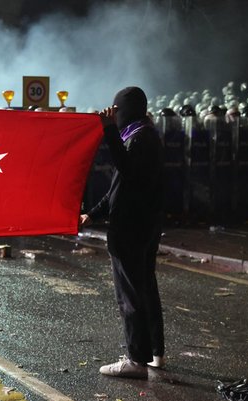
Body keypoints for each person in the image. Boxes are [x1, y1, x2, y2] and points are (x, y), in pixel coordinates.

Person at [80, 86, 165, 378]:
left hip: (132, 228)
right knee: (144, 289)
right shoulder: (143, 135)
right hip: (141, 224)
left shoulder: (139, 139)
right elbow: (119, 189)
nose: (113, 116)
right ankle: (154, 352)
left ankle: (135, 359)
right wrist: (93, 213)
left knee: (130, 295)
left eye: (116, 111)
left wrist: (108, 132)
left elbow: (127, 171)